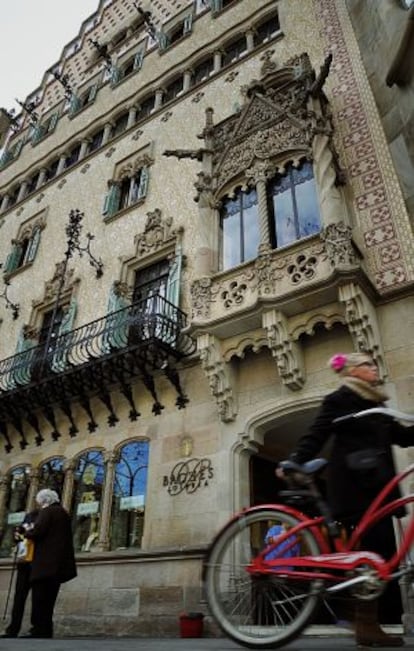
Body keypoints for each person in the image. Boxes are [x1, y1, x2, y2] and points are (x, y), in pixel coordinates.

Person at [277, 351, 414, 648]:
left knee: (380, 555)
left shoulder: (377, 403)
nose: (374, 367)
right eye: (368, 364)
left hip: (378, 486)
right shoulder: (340, 399)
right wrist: (296, 461)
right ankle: (362, 620)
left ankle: (367, 623)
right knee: (371, 554)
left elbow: (403, 437)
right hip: (355, 487)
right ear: (353, 371)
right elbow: (317, 433)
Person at [23, 488, 77, 639]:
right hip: (58, 565)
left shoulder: (47, 512)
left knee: (40, 598)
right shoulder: (63, 513)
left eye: (39, 502)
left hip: (45, 564)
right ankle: (46, 629)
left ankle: (38, 629)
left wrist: (25, 532)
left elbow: (38, 531)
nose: (38, 505)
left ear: (43, 501)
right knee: (49, 600)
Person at [1, 509, 38, 638]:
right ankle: (13, 628)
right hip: (24, 561)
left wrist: (25, 534)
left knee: (34, 597)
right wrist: (17, 535)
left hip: (35, 561)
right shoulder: (28, 519)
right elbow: (19, 538)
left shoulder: (43, 519)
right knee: (19, 597)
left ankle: (31, 627)